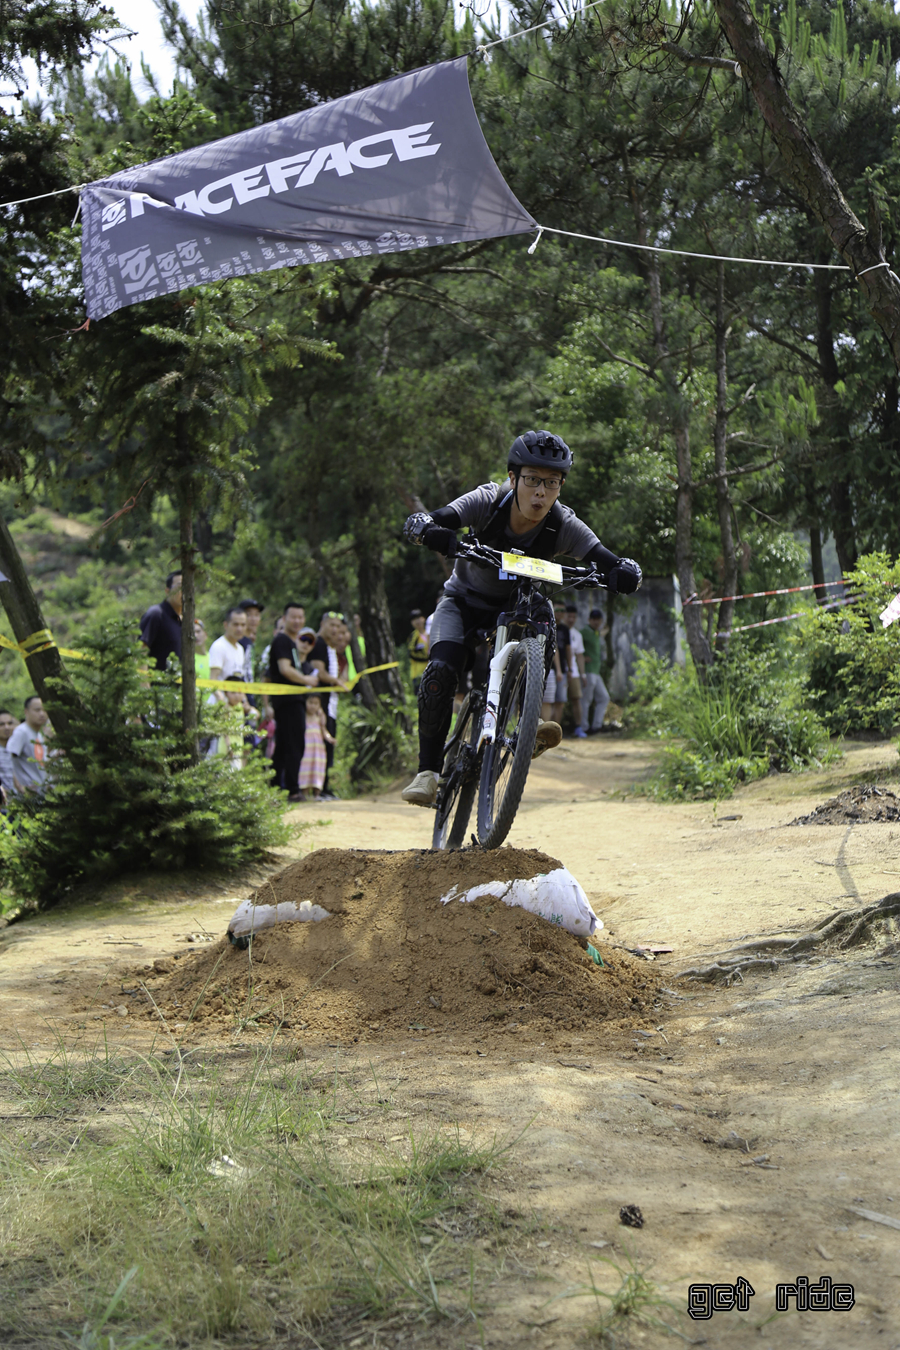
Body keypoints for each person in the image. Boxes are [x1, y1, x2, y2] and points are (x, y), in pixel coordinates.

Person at [400, 429, 641, 805]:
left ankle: (526, 727)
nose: (540, 492)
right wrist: (428, 529)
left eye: (552, 483)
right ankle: (428, 771)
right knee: (439, 675)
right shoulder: (488, 501)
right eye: (531, 480)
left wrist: (625, 571)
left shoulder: (563, 523)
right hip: (464, 602)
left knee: (543, 616)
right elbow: (438, 518)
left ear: (561, 486)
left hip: (519, 605)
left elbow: (604, 557)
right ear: (513, 479)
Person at [269, 604, 319, 800]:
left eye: (300, 617)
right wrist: (306, 680)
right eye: (293, 617)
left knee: (283, 745)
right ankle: (292, 789)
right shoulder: (282, 640)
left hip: (292, 700)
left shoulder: (292, 643)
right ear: (284, 618)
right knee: (294, 744)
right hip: (288, 700)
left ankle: (276, 788)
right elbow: (285, 669)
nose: (297, 621)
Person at [309, 613, 349, 799]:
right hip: (321, 703)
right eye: (331, 625)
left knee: (329, 747)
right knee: (322, 746)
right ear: (322, 624)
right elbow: (319, 672)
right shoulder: (318, 644)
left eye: (337, 626)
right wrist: (338, 682)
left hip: (331, 704)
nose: (334, 630)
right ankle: (318, 788)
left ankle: (325, 787)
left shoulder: (331, 648)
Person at [139, 572, 183, 670]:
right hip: (156, 684)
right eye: (180, 586)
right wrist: (144, 683)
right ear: (167, 591)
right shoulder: (156, 614)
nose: (184, 591)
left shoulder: (186, 620)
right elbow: (141, 651)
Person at [296, 693, 336, 799]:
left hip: (318, 751)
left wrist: (330, 739)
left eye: (316, 703)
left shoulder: (319, 718)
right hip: (306, 751)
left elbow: (324, 732)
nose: (313, 706)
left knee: (318, 768)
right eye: (310, 703)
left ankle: (317, 793)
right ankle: (304, 793)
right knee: (305, 769)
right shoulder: (302, 717)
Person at [8, 695, 50, 795]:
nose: (42, 714)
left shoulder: (39, 735)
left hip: (40, 795)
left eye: (45, 710)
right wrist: (19, 786)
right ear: (26, 711)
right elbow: (8, 757)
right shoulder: (22, 732)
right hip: (26, 797)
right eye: (37, 710)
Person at [580, 607, 611, 735]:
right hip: (588, 671)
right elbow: (575, 648)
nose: (596, 622)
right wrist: (581, 659)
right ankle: (583, 727)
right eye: (594, 619)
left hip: (596, 672)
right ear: (589, 620)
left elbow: (601, 633)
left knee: (604, 697)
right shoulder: (584, 632)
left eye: (598, 619)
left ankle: (596, 726)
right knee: (585, 700)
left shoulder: (595, 633)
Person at [208, 608, 247, 700]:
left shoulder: (240, 649)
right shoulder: (219, 646)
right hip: (218, 707)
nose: (239, 628)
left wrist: (245, 703)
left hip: (235, 706)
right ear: (226, 625)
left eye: (243, 625)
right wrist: (221, 701)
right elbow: (213, 680)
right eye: (235, 624)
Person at [563, 603, 587, 737]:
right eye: (569, 616)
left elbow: (579, 655)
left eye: (573, 617)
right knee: (557, 701)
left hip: (574, 672)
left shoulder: (577, 635)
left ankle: (579, 727)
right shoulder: (559, 630)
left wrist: (583, 674)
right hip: (561, 670)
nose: (571, 619)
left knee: (576, 699)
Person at [237, 597, 264, 683]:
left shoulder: (249, 642)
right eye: (249, 615)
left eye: (256, 615)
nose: (253, 619)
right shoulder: (237, 641)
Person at [407, 609, 429, 693]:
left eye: (418, 618)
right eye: (414, 619)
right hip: (418, 674)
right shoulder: (413, 636)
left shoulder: (429, 633)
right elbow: (411, 653)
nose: (417, 621)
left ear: (423, 618)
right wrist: (427, 658)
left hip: (430, 671)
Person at [0, 708, 18, 800]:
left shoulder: (20, 749)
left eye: (10, 723)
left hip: (26, 805)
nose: (7, 727)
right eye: (1, 724)